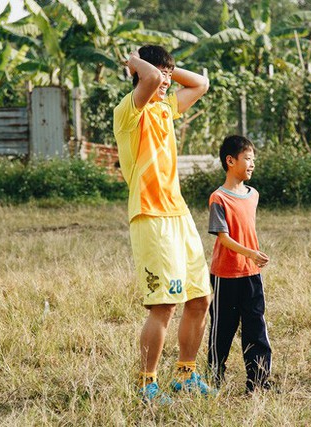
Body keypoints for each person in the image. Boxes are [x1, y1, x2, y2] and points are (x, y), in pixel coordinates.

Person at [113, 45, 213, 403]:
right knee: (164, 305)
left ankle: (185, 374)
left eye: (169, 74)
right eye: (159, 73)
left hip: (178, 213)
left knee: (200, 298)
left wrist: (168, 70)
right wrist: (136, 64)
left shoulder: (166, 108)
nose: (166, 80)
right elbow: (152, 78)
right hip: (149, 215)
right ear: (137, 74)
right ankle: (146, 384)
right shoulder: (128, 111)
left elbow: (200, 83)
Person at [207, 135, 273, 394]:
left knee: (256, 328)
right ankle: (214, 380)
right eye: (247, 158)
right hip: (226, 275)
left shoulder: (252, 194)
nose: (252, 164)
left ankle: (258, 383)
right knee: (222, 330)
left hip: (251, 274)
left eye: (253, 159)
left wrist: (252, 258)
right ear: (230, 160)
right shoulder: (218, 198)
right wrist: (251, 252)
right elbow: (223, 238)